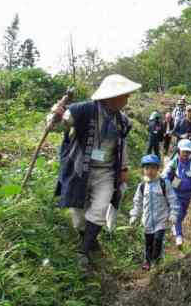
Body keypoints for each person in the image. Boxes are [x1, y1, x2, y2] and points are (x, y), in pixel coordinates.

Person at [50, 74, 140, 268]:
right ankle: (90, 241)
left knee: (100, 209)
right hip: (80, 169)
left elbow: (121, 145)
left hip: (106, 171)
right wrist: (55, 117)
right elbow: (58, 126)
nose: (127, 99)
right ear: (111, 96)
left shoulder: (122, 121)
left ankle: (82, 251)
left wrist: (123, 167)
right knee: (78, 215)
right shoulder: (83, 110)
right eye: (124, 95)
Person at [129, 154, 179, 270]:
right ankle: (147, 260)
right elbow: (137, 202)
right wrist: (134, 216)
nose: (149, 171)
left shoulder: (164, 183)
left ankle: (156, 261)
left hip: (161, 220)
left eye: (152, 168)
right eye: (147, 168)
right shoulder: (142, 186)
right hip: (147, 221)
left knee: (157, 240)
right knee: (148, 242)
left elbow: (173, 200)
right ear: (143, 170)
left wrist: (173, 215)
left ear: (158, 169)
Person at [161, 139, 191, 248]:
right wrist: (164, 185)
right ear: (179, 151)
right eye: (184, 151)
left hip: (187, 194)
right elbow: (165, 174)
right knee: (179, 213)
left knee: (183, 213)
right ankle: (179, 237)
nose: (186, 154)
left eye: (188, 152)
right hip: (175, 192)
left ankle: (175, 225)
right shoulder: (174, 162)